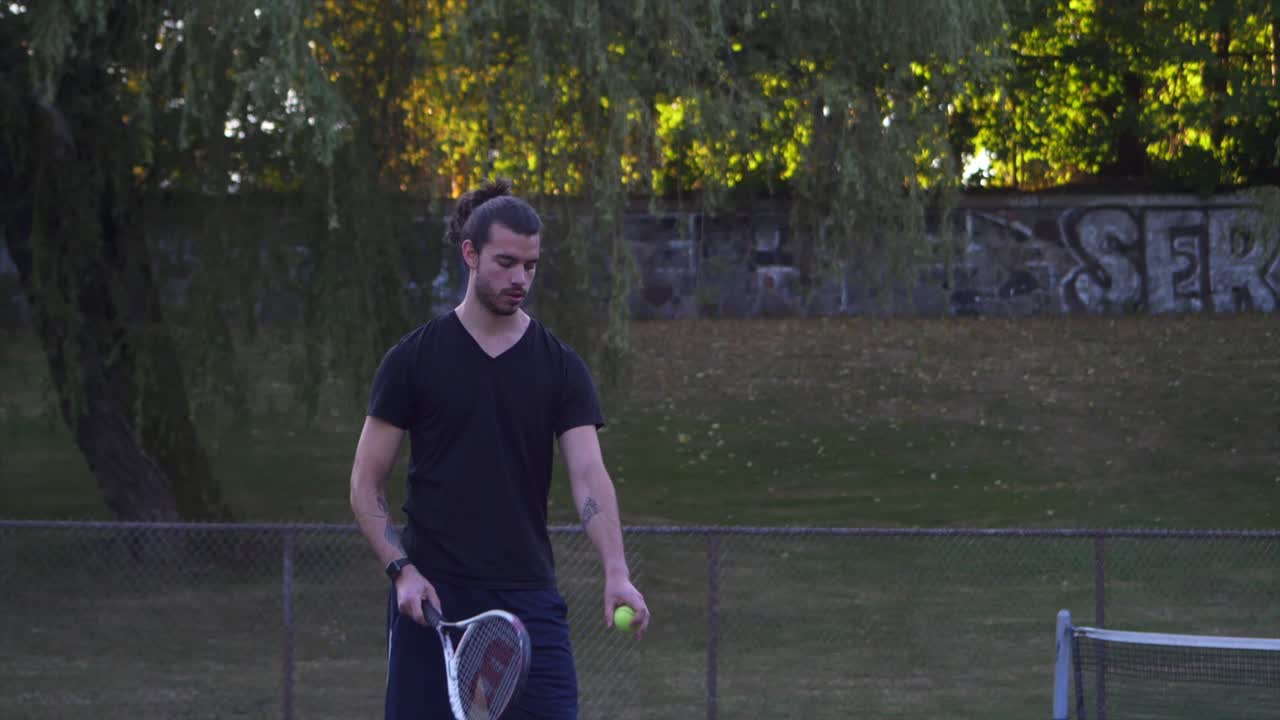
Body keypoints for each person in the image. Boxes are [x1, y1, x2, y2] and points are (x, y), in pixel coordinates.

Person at [349, 179, 650, 720]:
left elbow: (588, 475)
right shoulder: (413, 360)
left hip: (529, 597)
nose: (520, 279)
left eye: (531, 266)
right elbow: (365, 484)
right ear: (470, 253)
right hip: (433, 602)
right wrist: (402, 570)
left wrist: (616, 569)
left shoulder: (560, 367)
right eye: (506, 262)